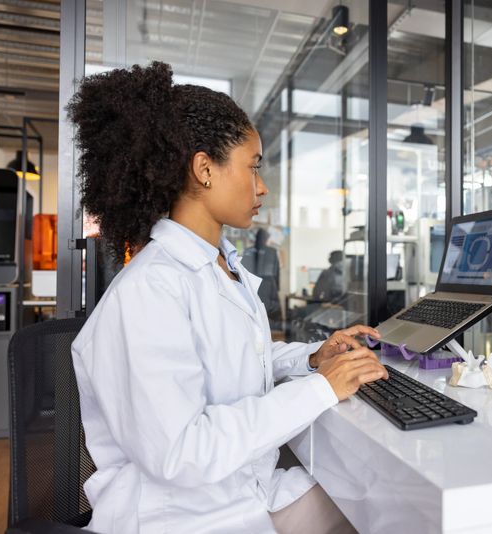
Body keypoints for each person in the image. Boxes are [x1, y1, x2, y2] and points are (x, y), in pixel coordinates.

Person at [67, 62, 387, 534]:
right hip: (179, 519)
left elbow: (233, 358)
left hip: (241, 494)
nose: (262, 186)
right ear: (204, 169)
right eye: (253, 166)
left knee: (378, 497)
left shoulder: (220, 266)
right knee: (380, 508)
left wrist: (313, 359)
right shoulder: (149, 291)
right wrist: (321, 389)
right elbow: (182, 453)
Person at [241, 228, 282, 327]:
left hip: (252, 285)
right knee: (267, 313)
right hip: (267, 286)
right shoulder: (272, 251)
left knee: (255, 313)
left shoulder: (247, 251)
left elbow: (242, 271)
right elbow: (276, 272)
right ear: (266, 239)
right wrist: (276, 287)